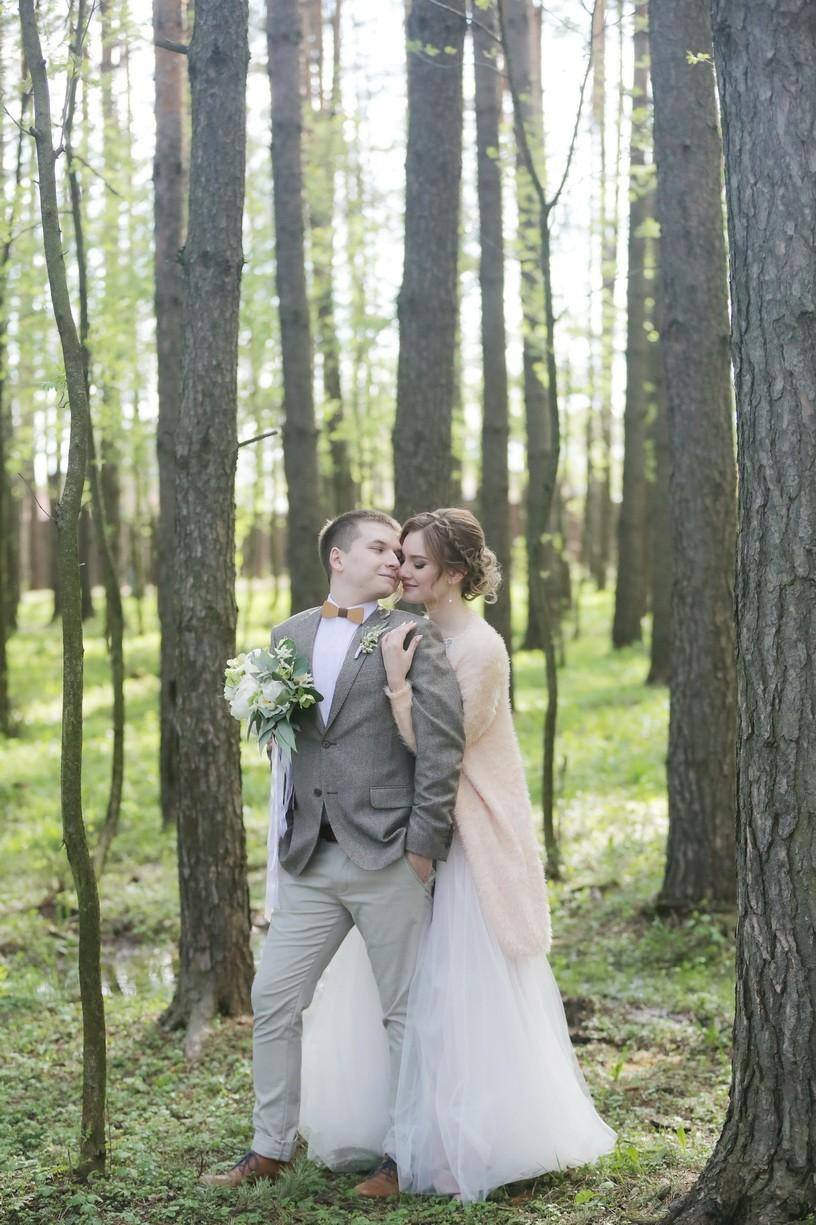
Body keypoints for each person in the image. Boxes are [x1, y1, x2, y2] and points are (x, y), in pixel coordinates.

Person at [300, 508, 615, 1202]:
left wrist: (395, 684)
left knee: (451, 991)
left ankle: (442, 1146)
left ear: (456, 574)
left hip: (467, 834)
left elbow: (438, 744)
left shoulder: (480, 648)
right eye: (400, 557)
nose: (400, 570)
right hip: (406, 830)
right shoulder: (411, 630)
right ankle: (397, 1129)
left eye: (415, 561)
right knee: (405, 989)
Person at [201, 509, 465, 1196]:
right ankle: (270, 1146)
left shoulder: (411, 632)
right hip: (310, 858)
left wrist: (423, 847)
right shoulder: (286, 635)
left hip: (389, 855)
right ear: (339, 557)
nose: (394, 561)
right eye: (378, 547)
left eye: (398, 551)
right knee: (274, 995)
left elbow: (441, 745)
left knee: (404, 1010)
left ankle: (402, 1157)